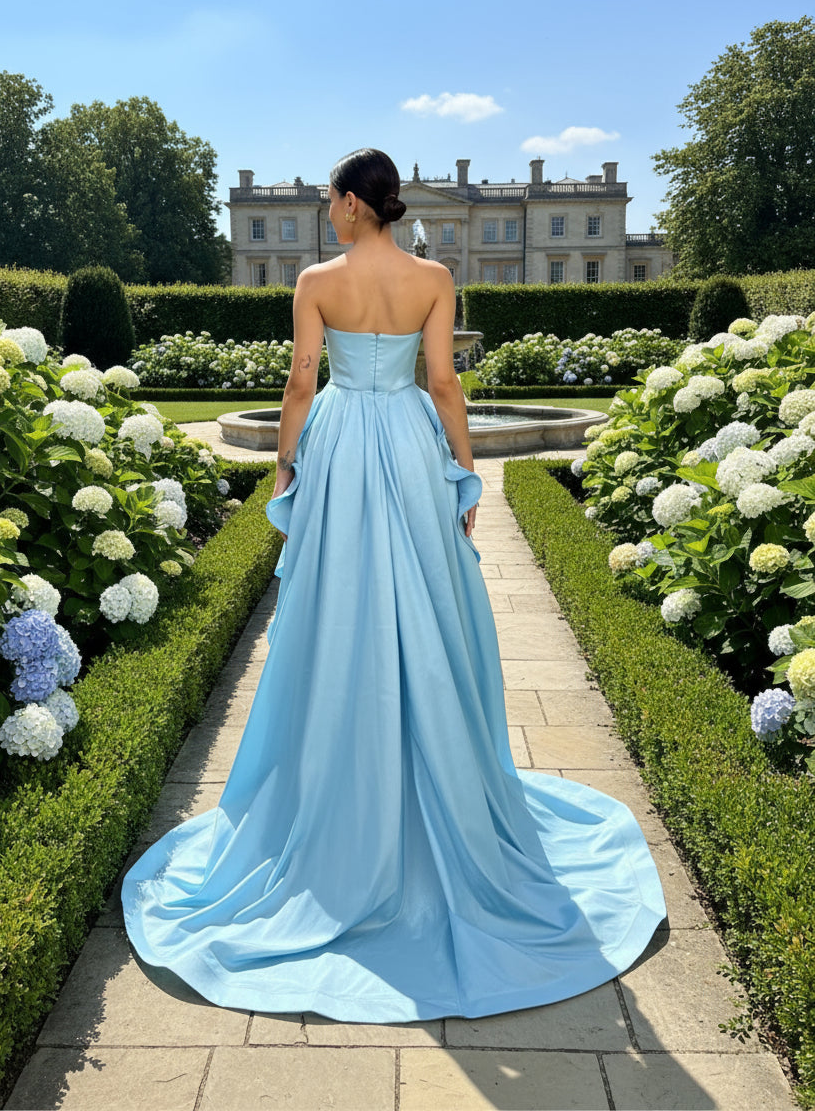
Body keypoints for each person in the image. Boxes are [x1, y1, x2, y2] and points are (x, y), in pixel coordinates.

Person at [122, 147, 666, 1023]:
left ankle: (342, 773)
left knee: (337, 605)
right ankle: (432, 768)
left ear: (348, 203)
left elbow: (303, 380)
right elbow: (443, 382)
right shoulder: (435, 275)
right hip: (411, 447)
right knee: (428, 604)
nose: (327, 215)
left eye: (333, 202)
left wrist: (284, 467)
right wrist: (465, 472)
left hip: (340, 443)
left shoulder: (316, 281)